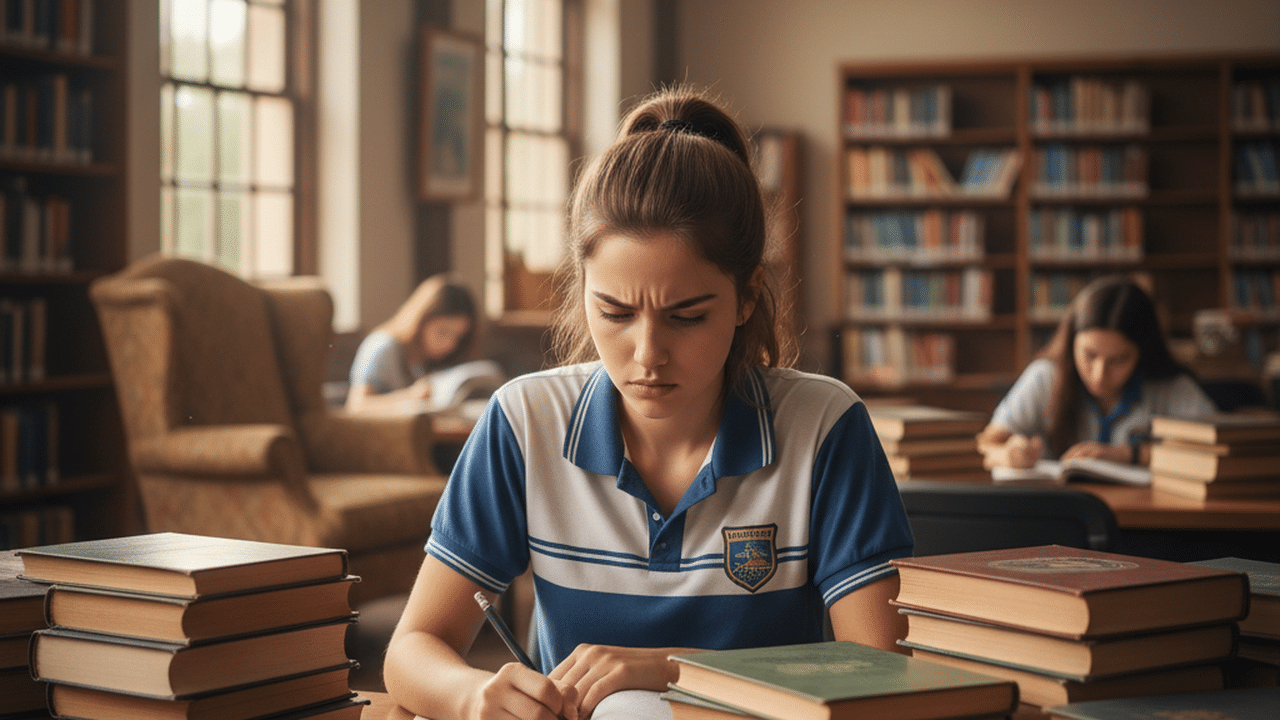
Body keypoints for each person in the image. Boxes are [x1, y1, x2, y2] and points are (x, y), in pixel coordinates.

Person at [382, 87, 914, 720]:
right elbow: (412, 649)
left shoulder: (825, 428)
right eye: (614, 311)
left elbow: (880, 671)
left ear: (746, 299)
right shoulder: (524, 423)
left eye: (686, 317)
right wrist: (473, 695)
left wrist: (672, 667)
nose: (646, 354)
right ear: (582, 291)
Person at [978, 274, 1218, 469]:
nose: (1098, 374)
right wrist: (1007, 454)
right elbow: (987, 442)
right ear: (1071, 342)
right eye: (1089, 355)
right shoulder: (1045, 377)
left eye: (1118, 360)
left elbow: (1218, 450)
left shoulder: (1171, 386)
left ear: (1142, 352)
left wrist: (1129, 455)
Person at [345, 274, 478, 413]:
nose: (450, 344)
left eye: (458, 337)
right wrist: (411, 396)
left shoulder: (434, 359)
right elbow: (356, 406)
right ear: (421, 320)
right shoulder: (382, 345)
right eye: (443, 331)